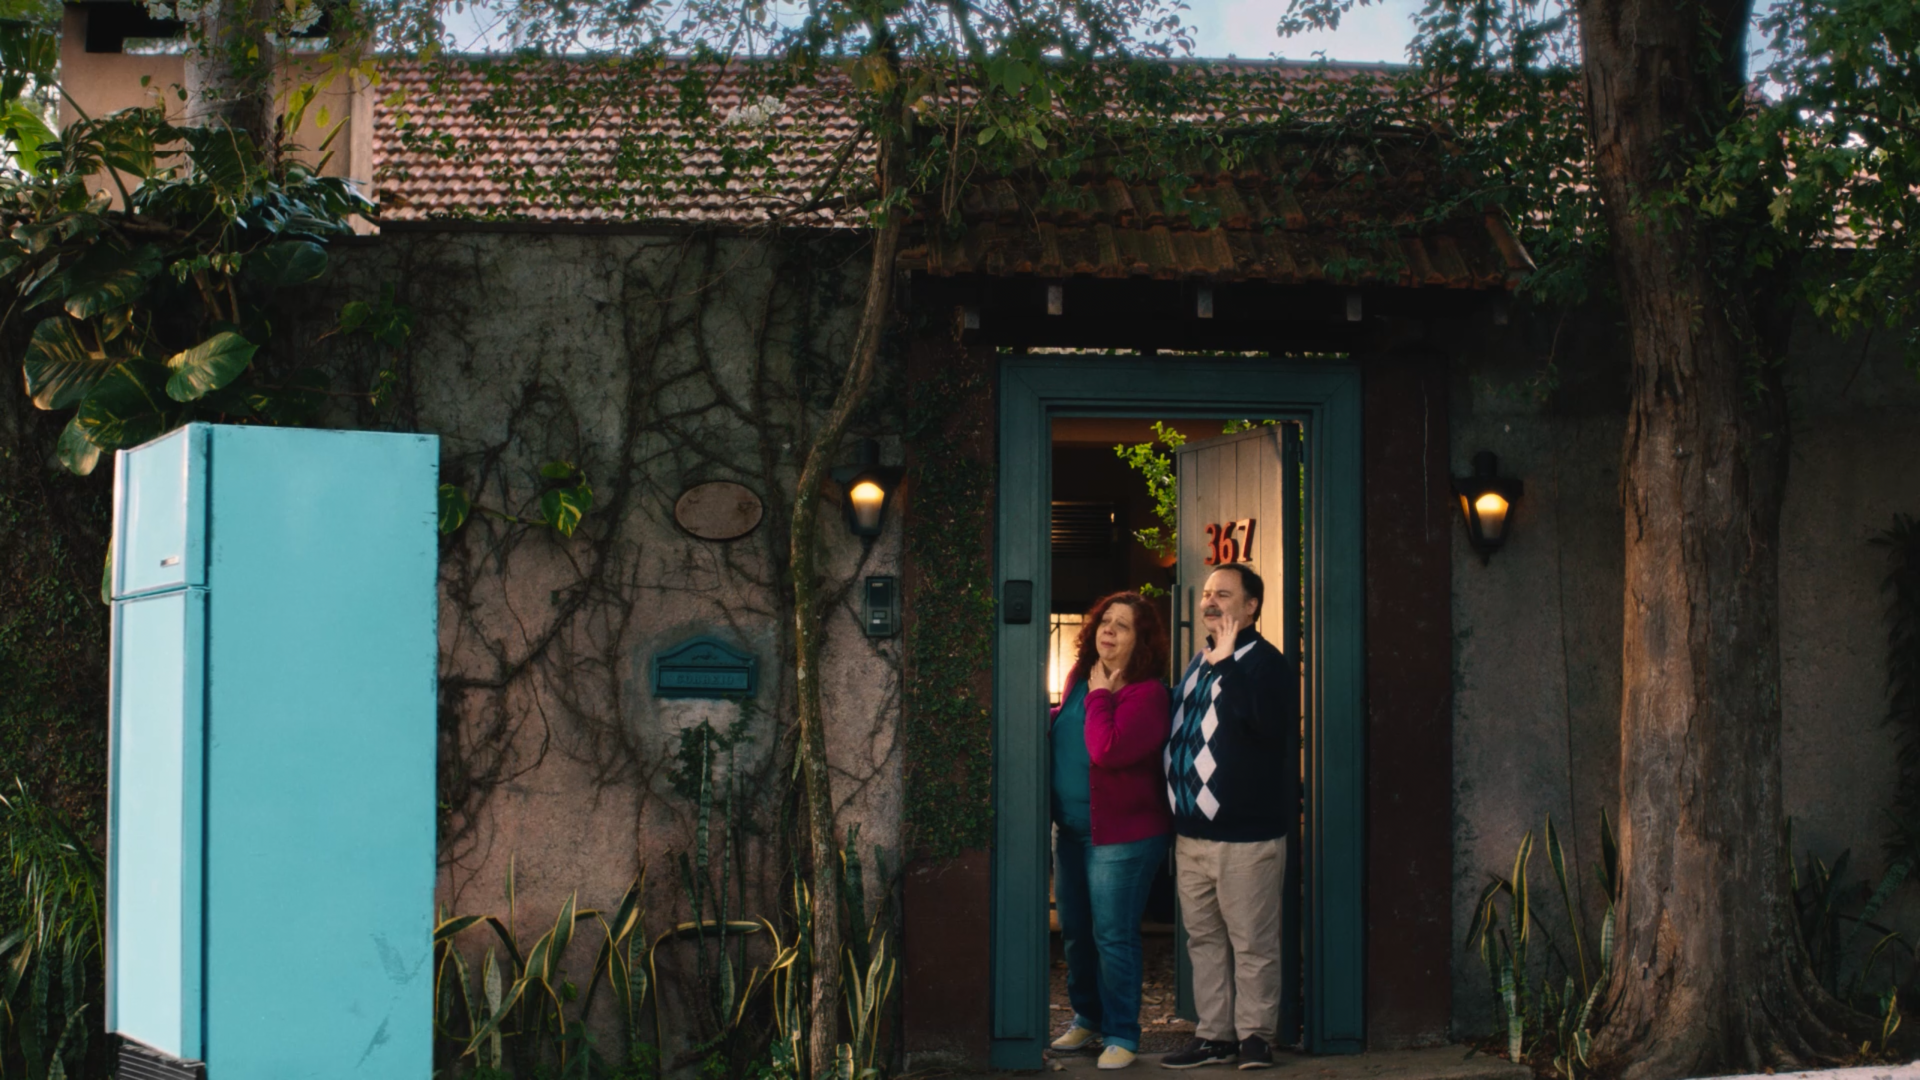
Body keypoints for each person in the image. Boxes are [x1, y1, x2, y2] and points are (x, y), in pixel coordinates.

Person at [1159, 565, 1295, 1071]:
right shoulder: (1198, 661)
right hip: (1192, 836)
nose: (1210, 602)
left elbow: (1265, 728)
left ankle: (1255, 1037)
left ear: (1252, 606)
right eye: (1208, 594)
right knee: (1205, 941)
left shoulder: (1265, 664)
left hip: (1247, 838)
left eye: (1224, 594)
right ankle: (1214, 1035)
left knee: (1253, 943)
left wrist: (1228, 668)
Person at [1048, 591, 1175, 1071]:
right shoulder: (1080, 678)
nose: (1108, 630)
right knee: (1077, 933)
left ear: (1140, 639)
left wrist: (1102, 694)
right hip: (1074, 831)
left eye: (1122, 625)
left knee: (1113, 936)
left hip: (1122, 838)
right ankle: (1088, 1018)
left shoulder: (1148, 693)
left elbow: (1107, 749)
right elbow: (1065, 730)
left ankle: (1122, 1032)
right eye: (1105, 621)